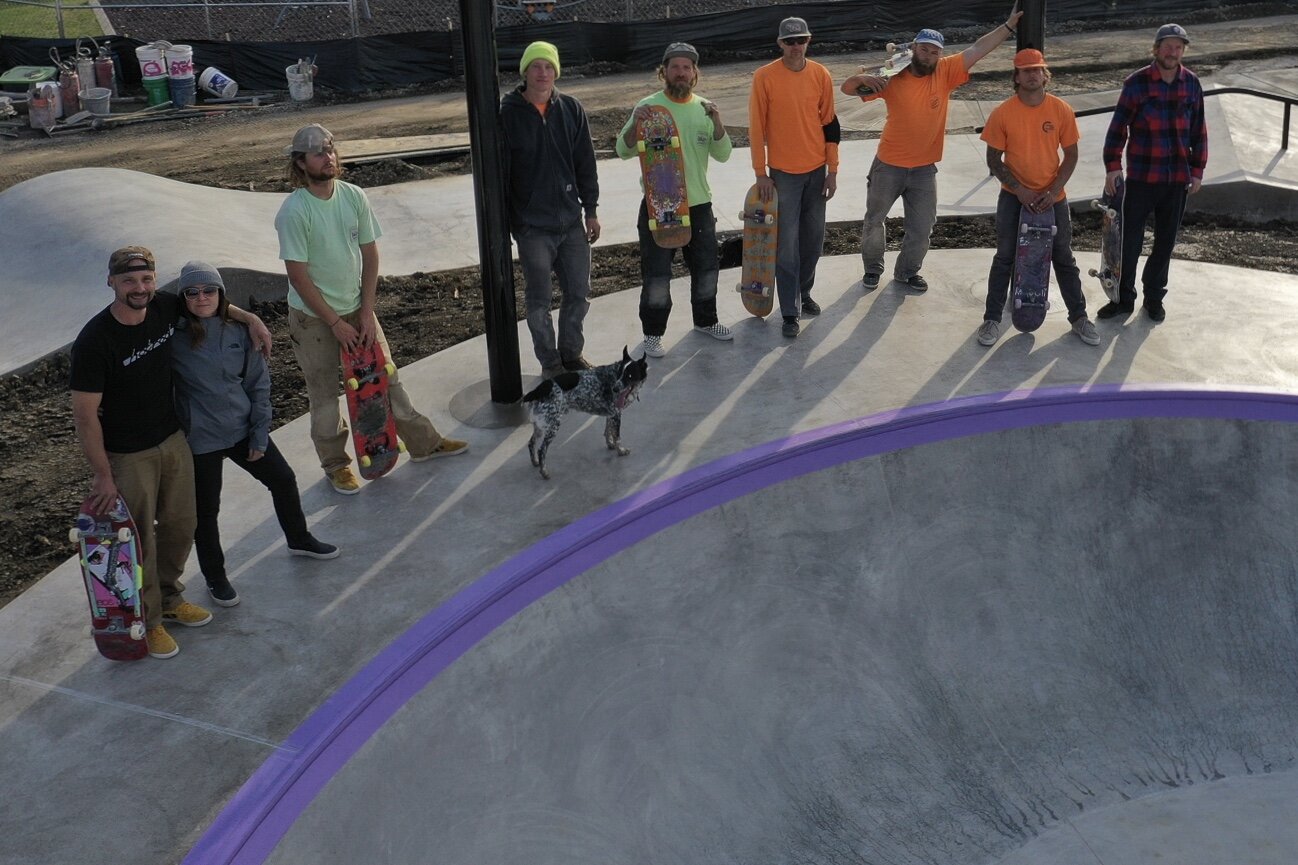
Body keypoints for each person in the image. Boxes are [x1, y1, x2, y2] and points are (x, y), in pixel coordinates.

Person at [70, 246, 271, 659]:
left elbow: (213, 304)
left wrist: (251, 319)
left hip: (173, 438)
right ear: (111, 282)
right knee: (139, 537)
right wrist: (103, 474)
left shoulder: (164, 307)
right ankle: (150, 621)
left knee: (183, 523)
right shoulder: (95, 340)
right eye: (128, 281)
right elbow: (85, 417)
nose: (139, 288)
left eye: (145, 280)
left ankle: (170, 596)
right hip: (128, 454)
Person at [274, 124, 469, 495]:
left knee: (386, 377)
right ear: (300, 163)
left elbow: (370, 252)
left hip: (356, 310)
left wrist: (366, 312)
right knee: (325, 394)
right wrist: (334, 322)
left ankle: (423, 443)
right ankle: (336, 466)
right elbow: (298, 276)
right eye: (318, 154)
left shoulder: (353, 196)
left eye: (330, 150)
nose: (328, 158)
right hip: (314, 319)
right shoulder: (295, 212)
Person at [170, 261, 339, 609]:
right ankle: (215, 576)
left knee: (283, 479)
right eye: (192, 292)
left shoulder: (238, 332)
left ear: (221, 294)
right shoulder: (172, 336)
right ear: (183, 297)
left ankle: (299, 538)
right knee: (206, 512)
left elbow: (258, 384)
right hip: (200, 439)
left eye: (209, 290)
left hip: (242, 428)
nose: (201, 297)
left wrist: (259, 434)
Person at [841, 5, 1023, 292]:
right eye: (924, 49)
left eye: (934, 51)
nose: (929, 55)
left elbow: (978, 48)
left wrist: (1009, 26)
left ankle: (907, 272)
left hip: (924, 169)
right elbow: (847, 89)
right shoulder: (892, 72)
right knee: (875, 220)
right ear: (913, 48)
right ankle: (873, 270)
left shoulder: (946, 71)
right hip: (889, 164)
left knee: (923, 228)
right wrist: (863, 79)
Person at [616, 41, 734, 357]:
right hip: (659, 207)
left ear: (694, 73)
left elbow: (723, 154)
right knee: (656, 274)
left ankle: (706, 321)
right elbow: (623, 150)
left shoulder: (705, 108)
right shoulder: (648, 106)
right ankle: (653, 333)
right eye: (675, 67)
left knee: (707, 268)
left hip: (698, 205)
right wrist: (635, 124)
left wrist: (718, 121)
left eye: (686, 67)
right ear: (664, 71)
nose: (680, 73)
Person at [977, 49, 1099, 348]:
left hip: (1053, 198)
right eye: (1026, 70)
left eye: (1038, 70)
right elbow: (994, 159)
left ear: (1045, 74)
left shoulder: (1060, 110)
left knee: (1063, 258)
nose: (1033, 75)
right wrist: (1019, 190)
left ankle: (1079, 317)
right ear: (1016, 77)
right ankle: (992, 319)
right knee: (1005, 257)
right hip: (1013, 197)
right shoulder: (1003, 113)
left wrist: (1053, 190)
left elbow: (1071, 155)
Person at [500, 41, 601, 379]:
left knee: (579, 293)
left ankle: (571, 354)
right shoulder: (508, 114)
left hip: (571, 221)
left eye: (548, 67)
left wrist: (591, 210)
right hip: (533, 228)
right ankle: (551, 363)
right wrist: (511, 223)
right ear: (525, 72)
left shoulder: (571, 109)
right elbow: (501, 172)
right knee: (539, 300)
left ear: (556, 72)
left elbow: (585, 163)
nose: (543, 73)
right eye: (536, 66)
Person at [1099, 23, 1207, 323]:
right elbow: (1118, 128)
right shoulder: (1137, 83)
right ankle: (1123, 300)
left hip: (1176, 181)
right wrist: (1112, 167)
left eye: (1178, 47)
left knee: (1165, 243)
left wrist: (1197, 170)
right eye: (1167, 46)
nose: (1173, 52)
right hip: (1141, 180)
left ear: (1183, 51)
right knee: (1129, 243)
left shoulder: (1192, 84)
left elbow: (1199, 130)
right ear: (1156, 49)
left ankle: (1154, 298)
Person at [748, 17, 840, 339]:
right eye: (789, 41)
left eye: (800, 40)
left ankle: (804, 292)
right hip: (783, 176)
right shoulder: (765, 77)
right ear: (780, 44)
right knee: (786, 247)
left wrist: (833, 170)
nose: (795, 46)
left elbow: (830, 124)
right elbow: (757, 127)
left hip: (816, 173)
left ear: (809, 41)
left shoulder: (820, 74)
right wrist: (761, 172)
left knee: (813, 241)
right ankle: (789, 311)